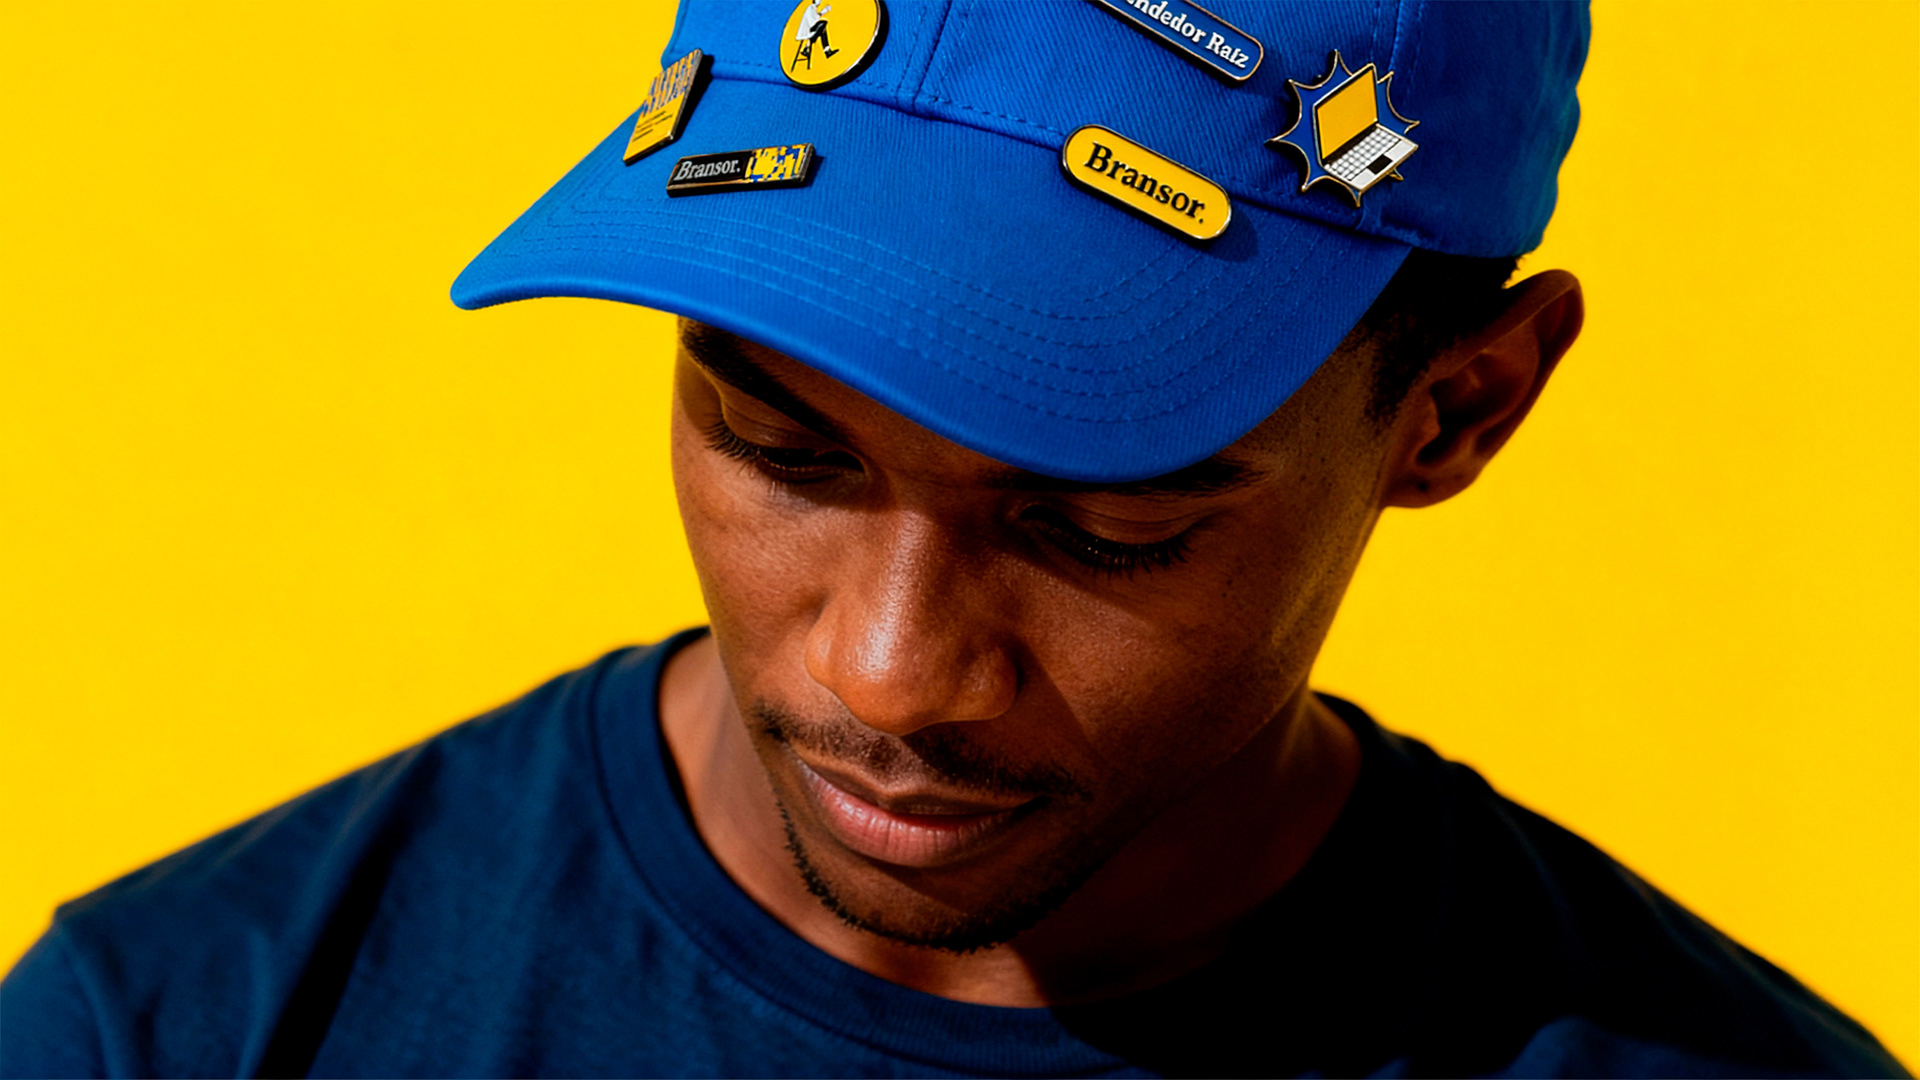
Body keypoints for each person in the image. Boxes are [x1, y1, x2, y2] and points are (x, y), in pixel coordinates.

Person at [0, 1, 1907, 1076]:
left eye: (1106, 521)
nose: (888, 672)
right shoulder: (173, 1035)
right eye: (780, 448)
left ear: (1459, 406)